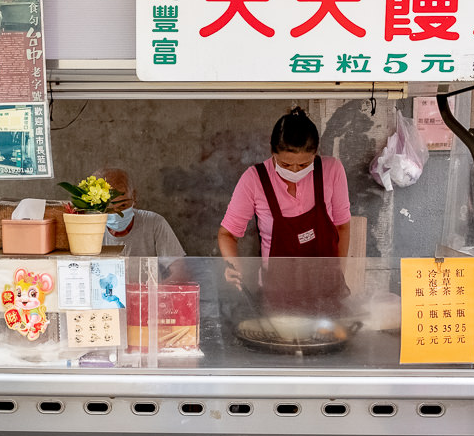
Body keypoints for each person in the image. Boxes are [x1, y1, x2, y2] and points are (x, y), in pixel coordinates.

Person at [218, 107, 351, 313]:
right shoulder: (254, 180)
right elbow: (227, 234)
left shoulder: (332, 170)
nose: (295, 171)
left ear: (316, 153)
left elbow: (342, 227)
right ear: (272, 151)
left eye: (304, 164)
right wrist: (234, 267)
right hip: (277, 295)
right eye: (286, 164)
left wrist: (337, 275)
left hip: (327, 293)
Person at [93, 168, 185, 258]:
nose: (117, 214)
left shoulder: (154, 224)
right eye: (108, 209)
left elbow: (177, 269)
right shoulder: (88, 230)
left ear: (134, 197)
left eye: (123, 206)